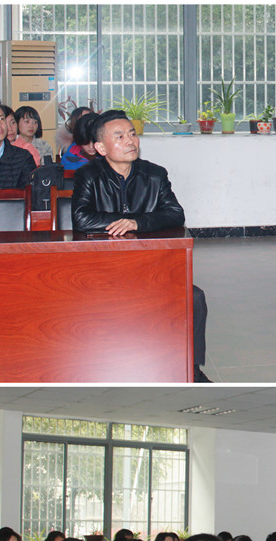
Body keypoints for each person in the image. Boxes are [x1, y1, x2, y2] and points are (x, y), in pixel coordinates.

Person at [72, 109, 210, 383]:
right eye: (120, 136)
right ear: (100, 147)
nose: (130, 141)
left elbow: (175, 214)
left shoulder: (154, 174)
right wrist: (121, 221)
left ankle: (191, 370)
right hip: (104, 270)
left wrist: (136, 222)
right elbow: (81, 218)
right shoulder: (88, 175)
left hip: (150, 268)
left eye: (132, 134)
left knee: (194, 297)